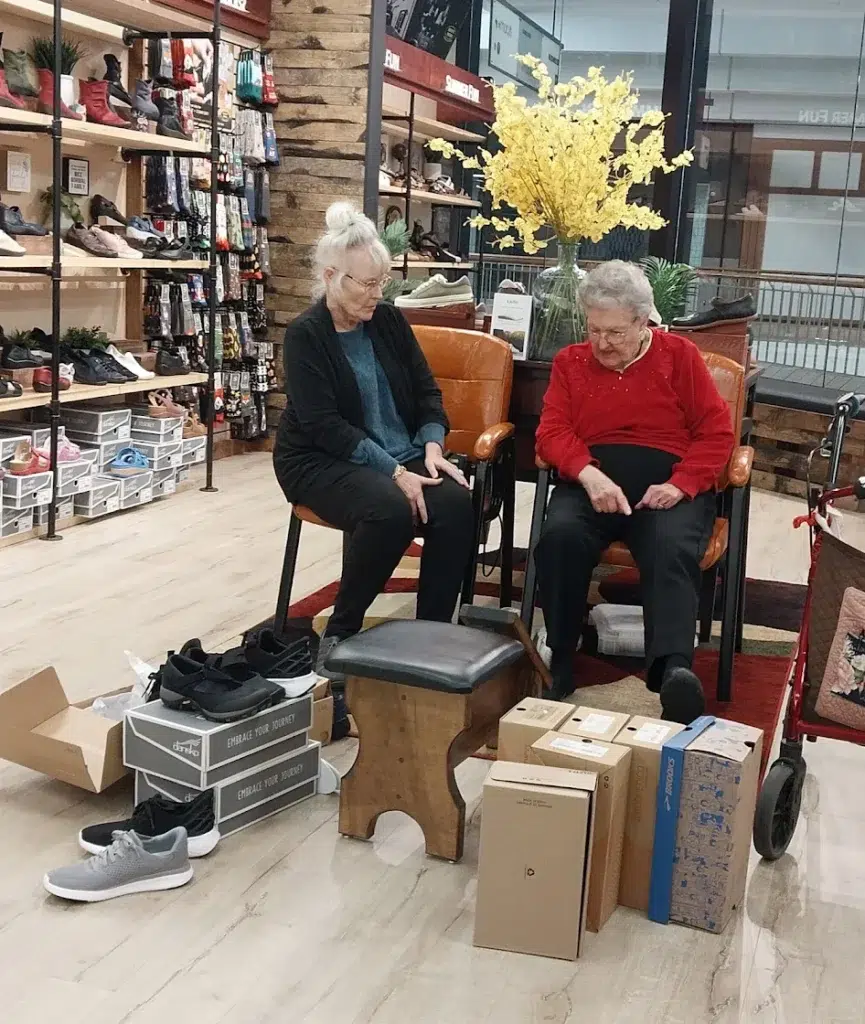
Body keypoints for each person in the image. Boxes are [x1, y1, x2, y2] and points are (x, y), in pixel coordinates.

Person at [273, 202, 475, 676]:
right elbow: (324, 426)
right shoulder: (306, 336)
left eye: (381, 282)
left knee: (455, 504)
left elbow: (426, 391)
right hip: (320, 458)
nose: (377, 293)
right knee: (389, 510)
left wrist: (432, 447)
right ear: (331, 277)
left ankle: (431, 633)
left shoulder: (388, 320)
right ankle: (341, 633)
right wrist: (397, 473)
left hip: (398, 452)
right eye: (367, 283)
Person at [533, 260, 735, 723]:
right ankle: (560, 657)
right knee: (560, 537)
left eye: (615, 332)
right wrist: (587, 474)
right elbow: (552, 431)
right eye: (594, 330)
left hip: (665, 488)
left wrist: (681, 483)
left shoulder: (679, 356)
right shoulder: (570, 362)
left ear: (644, 322)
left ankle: (673, 671)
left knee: (670, 546)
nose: (602, 343)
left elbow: (716, 434)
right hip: (591, 483)